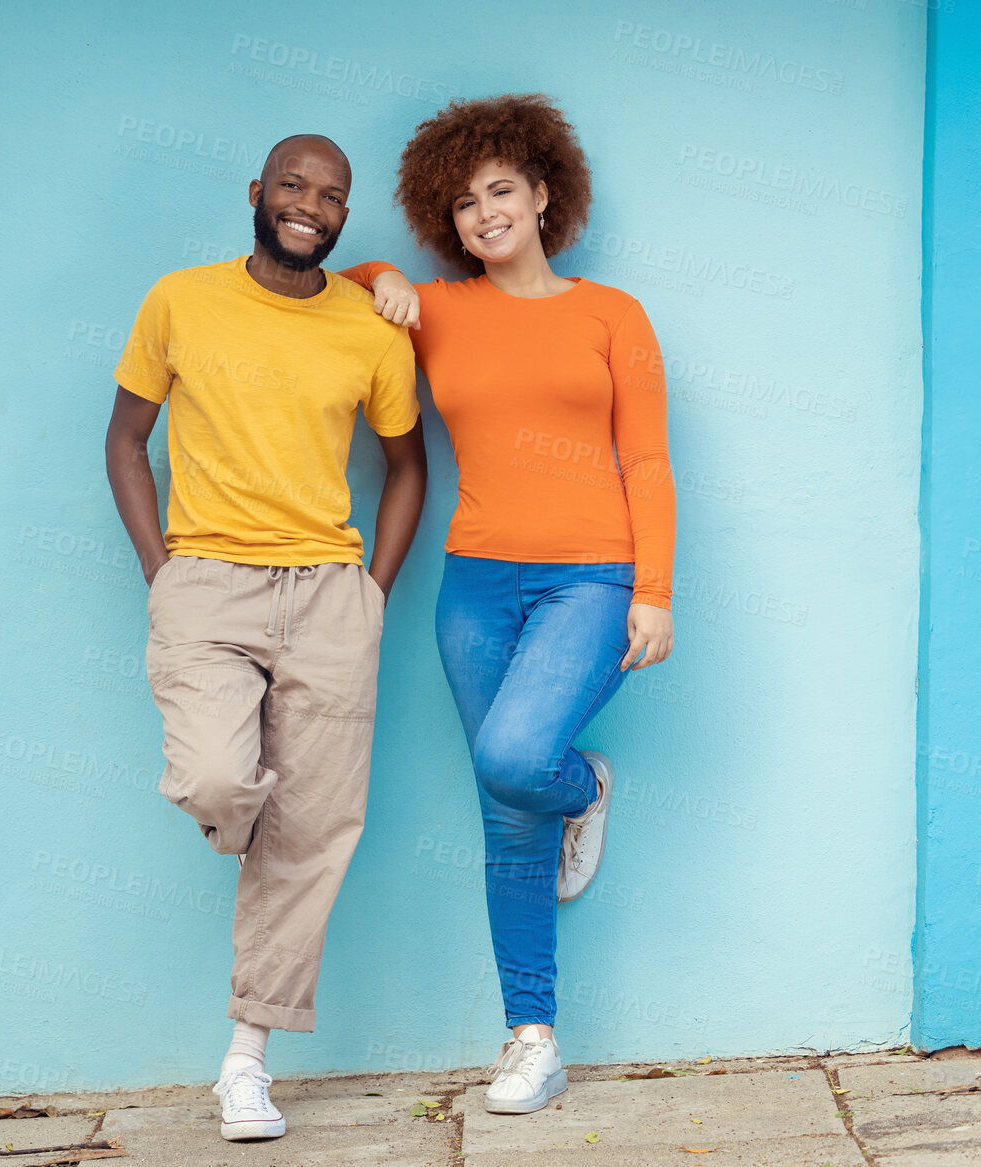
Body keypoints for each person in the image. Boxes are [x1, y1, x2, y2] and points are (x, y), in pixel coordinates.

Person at [340, 93, 676, 1115]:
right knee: (503, 819)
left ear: (541, 194)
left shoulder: (610, 313)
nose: (482, 213)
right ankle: (531, 1038)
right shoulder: (435, 309)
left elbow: (647, 459)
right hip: (474, 584)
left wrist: (652, 592)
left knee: (516, 762)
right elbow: (340, 281)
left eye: (499, 190)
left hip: (590, 576)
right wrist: (385, 274)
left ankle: (581, 787)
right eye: (460, 203)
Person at [105, 134, 427, 1141]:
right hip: (205, 582)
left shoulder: (370, 331)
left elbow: (407, 466)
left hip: (328, 595)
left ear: (342, 216)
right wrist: (162, 574)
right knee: (214, 779)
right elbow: (124, 439)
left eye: (330, 196)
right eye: (292, 185)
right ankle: (249, 829)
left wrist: (369, 593)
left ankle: (244, 1063)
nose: (308, 204)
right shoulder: (178, 300)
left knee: (314, 834)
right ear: (256, 193)